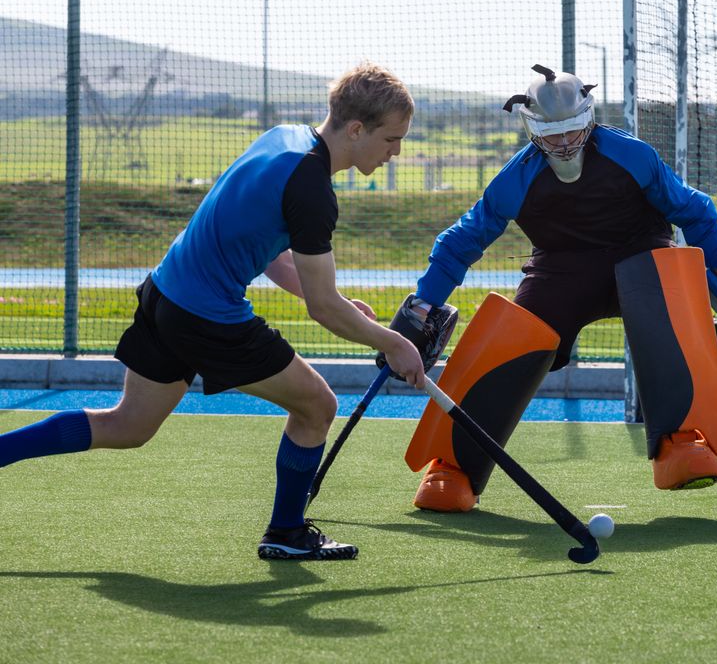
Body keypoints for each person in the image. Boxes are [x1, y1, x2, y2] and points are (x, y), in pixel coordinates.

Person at [0, 62, 426, 559]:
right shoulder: (313, 191)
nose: (396, 152)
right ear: (357, 130)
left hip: (163, 294)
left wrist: (330, 300)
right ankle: (286, 534)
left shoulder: (283, 139)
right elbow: (324, 310)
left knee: (128, 427)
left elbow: (265, 249)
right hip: (206, 315)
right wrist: (394, 343)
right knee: (317, 406)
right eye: (392, 139)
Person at [391, 64, 717, 513]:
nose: (564, 143)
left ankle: (680, 442)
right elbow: (460, 243)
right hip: (560, 272)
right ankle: (453, 468)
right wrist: (423, 305)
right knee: (508, 337)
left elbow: (695, 210)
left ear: (588, 119)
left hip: (641, 257)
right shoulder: (516, 178)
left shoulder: (633, 155)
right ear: (530, 127)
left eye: (572, 130)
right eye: (550, 134)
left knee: (663, 294)